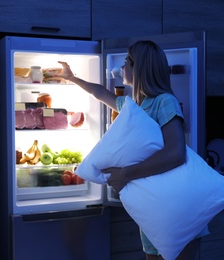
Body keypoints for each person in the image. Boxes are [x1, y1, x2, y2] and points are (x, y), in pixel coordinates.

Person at [57, 40, 208, 260]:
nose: (122, 67)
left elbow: (176, 153)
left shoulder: (164, 102)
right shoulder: (136, 105)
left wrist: (125, 174)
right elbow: (101, 93)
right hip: (151, 206)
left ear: (140, 67)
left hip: (176, 205)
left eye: (127, 61)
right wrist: (72, 78)